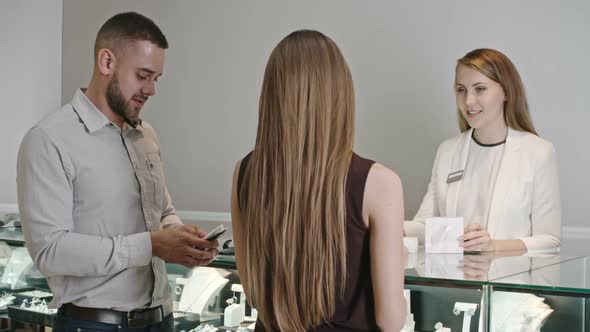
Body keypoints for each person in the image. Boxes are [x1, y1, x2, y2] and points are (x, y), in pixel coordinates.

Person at [16, 12, 218, 331]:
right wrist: (152, 244)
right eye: (142, 75)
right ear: (106, 62)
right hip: (94, 324)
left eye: (156, 78)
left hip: (161, 320)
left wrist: (181, 238)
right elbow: (50, 251)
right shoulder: (48, 139)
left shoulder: (146, 135)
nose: (151, 89)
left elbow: (162, 211)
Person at [230, 30, 407, 332]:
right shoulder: (380, 183)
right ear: (340, 95)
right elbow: (390, 321)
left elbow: (255, 294)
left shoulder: (245, 172)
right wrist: (399, 262)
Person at [405, 48, 561, 252]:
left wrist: (493, 247)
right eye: (461, 90)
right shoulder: (447, 151)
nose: (468, 101)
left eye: (479, 89)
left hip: (509, 281)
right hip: (455, 282)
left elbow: (550, 239)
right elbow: (426, 226)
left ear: (506, 91)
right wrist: (379, 225)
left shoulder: (539, 152)